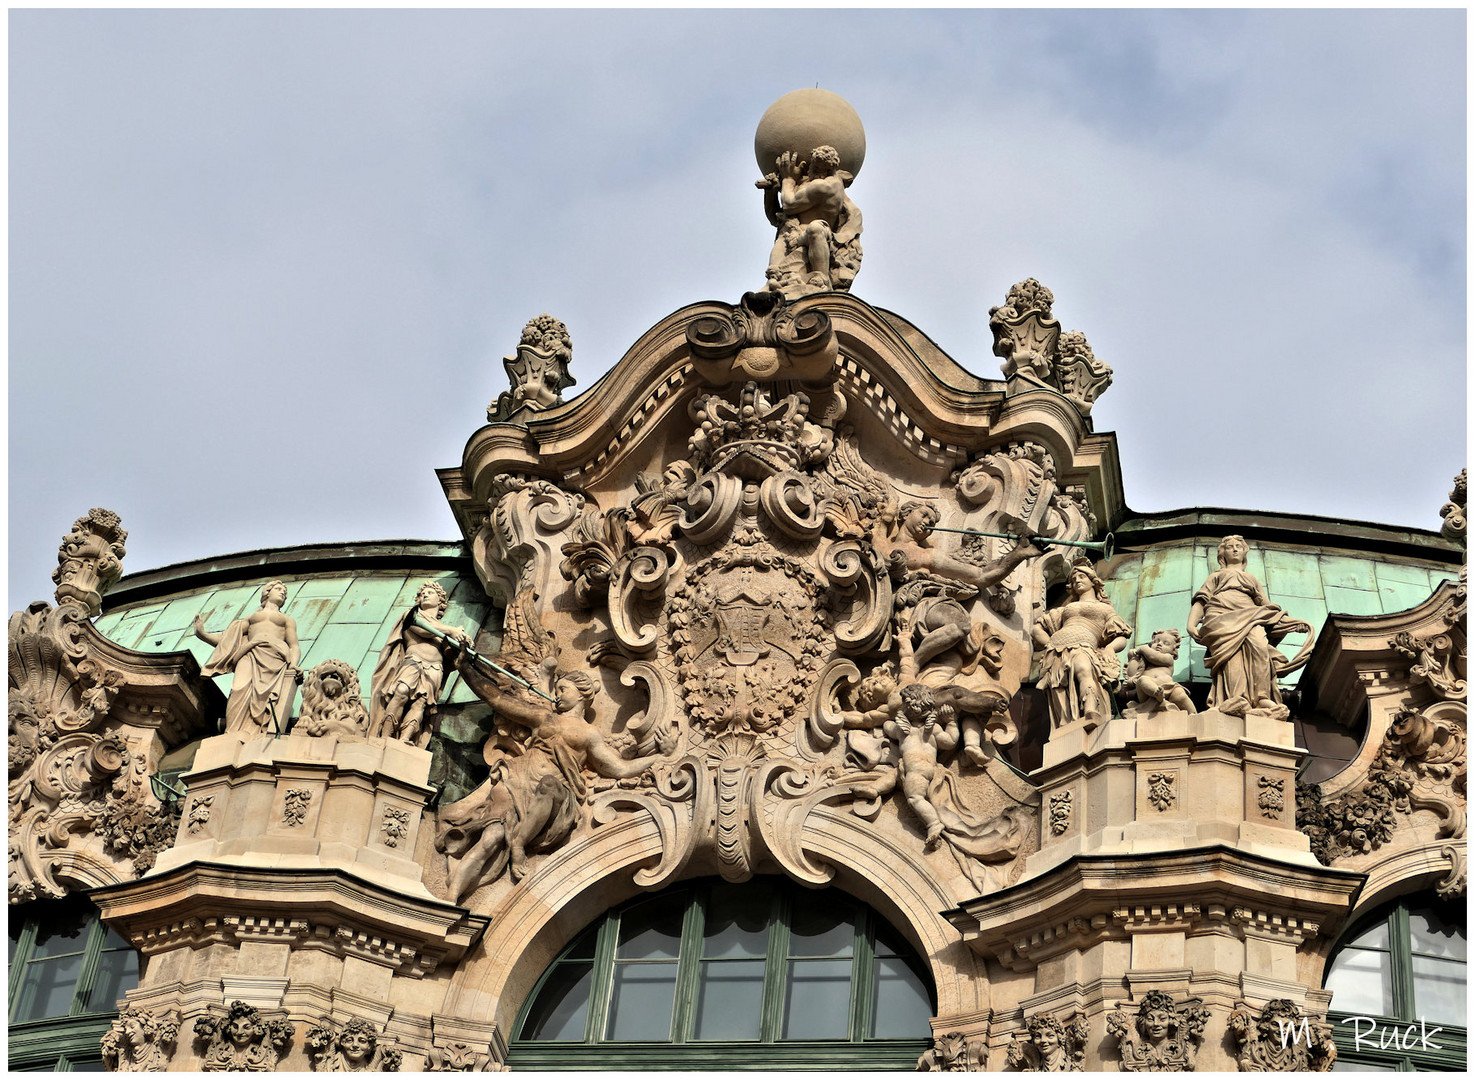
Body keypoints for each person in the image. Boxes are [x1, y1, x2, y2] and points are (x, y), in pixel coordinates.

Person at [436, 666, 674, 903]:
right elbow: (497, 699)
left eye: (563, 688)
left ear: (582, 693)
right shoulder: (544, 717)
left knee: (549, 785)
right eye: (557, 689)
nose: (558, 694)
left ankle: (518, 845)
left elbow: (619, 768)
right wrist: (466, 667)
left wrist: (660, 756)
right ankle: (451, 897)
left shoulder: (590, 735)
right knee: (491, 839)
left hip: (553, 792)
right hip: (519, 781)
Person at [1187, 535, 1312, 720]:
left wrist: (1291, 623)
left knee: (1260, 649)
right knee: (1232, 659)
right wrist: (1191, 624)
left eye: (1239, 546)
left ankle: (1261, 697)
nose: (1235, 549)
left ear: (1245, 552)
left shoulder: (1251, 579)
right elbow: (1201, 601)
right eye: (1230, 547)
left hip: (1250, 615)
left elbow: (1267, 606)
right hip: (1222, 616)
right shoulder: (1216, 576)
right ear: (1223, 553)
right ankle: (1235, 698)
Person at [369, 581, 472, 747]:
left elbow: (451, 658)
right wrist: (451, 631)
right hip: (413, 662)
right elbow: (423, 630)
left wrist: (463, 644)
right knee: (401, 692)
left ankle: (405, 739)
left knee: (421, 703)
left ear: (440, 601)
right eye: (423, 593)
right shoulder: (412, 615)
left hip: (435, 668)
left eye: (430, 593)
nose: (425, 595)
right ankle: (384, 736)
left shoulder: (442, 627)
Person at [1033, 561, 1131, 730]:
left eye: (1082, 576)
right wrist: (1049, 643)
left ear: (1093, 581)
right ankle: (1066, 724)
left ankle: (1090, 709)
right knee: (1059, 686)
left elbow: (1122, 635)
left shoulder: (1105, 609)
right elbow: (1037, 629)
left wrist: (1109, 648)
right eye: (1074, 578)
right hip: (1057, 648)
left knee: (1084, 669)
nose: (1077, 580)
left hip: (1085, 645)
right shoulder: (1066, 608)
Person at [193, 581, 300, 734]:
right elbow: (227, 640)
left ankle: (259, 731)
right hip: (249, 654)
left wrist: (293, 665)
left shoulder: (287, 620)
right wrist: (203, 635)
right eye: (278, 589)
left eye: (285, 591)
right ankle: (233, 731)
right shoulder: (251, 618)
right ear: (267, 592)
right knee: (238, 689)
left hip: (275, 658)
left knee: (267, 697)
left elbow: (294, 645)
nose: (283, 592)